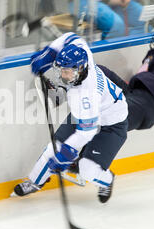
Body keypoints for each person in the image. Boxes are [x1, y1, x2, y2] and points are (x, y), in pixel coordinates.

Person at [13, 32, 129, 203]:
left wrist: (66, 155)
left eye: (68, 72)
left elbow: (86, 132)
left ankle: (107, 180)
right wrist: (49, 53)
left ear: (80, 69)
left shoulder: (85, 96)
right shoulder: (83, 56)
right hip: (88, 115)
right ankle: (35, 182)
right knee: (53, 149)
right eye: (62, 70)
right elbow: (72, 37)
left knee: (87, 169)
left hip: (112, 122)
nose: (64, 76)